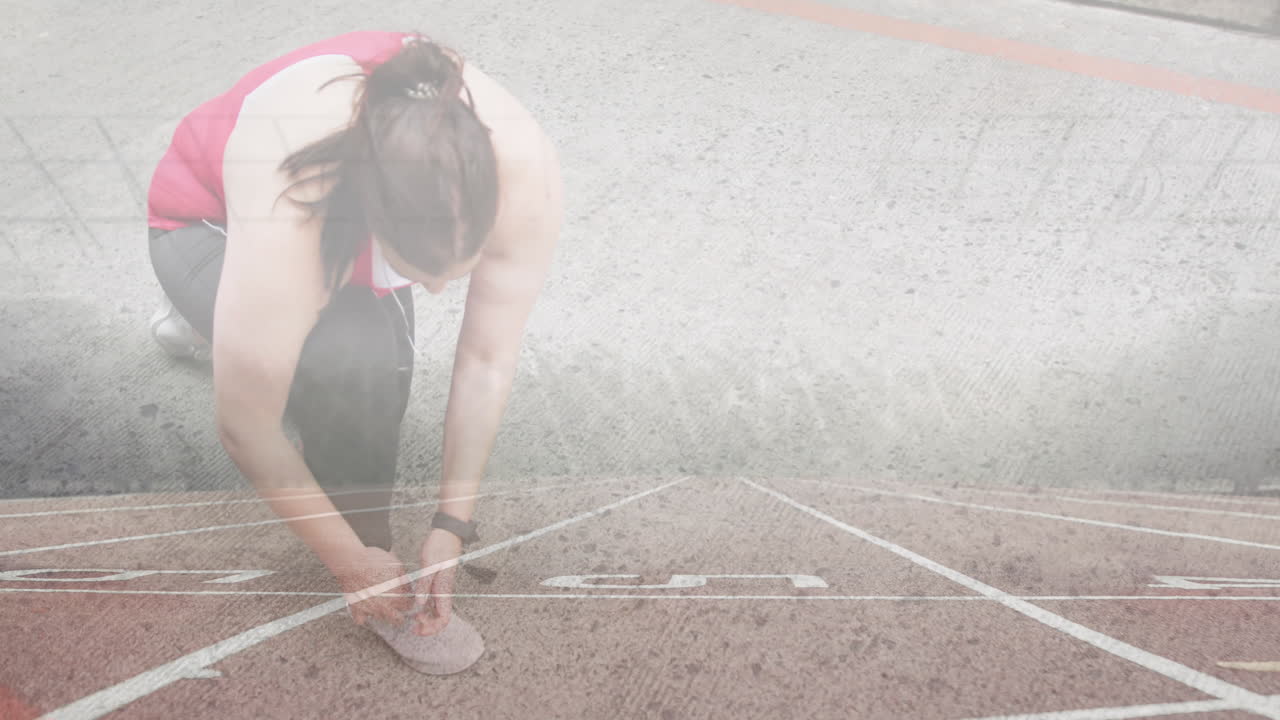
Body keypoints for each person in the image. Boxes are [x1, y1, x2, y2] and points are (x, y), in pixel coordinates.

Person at [145, 31, 562, 646]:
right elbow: (245, 426)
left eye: (461, 268)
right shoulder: (295, 189)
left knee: (363, 354)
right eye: (420, 272)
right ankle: (221, 312)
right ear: (373, 218)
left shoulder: (525, 172)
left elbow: (486, 358)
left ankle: (235, 323)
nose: (442, 293)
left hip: (291, 251)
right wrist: (353, 562)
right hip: (204, 222)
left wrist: (454, 522)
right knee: (358, 366)